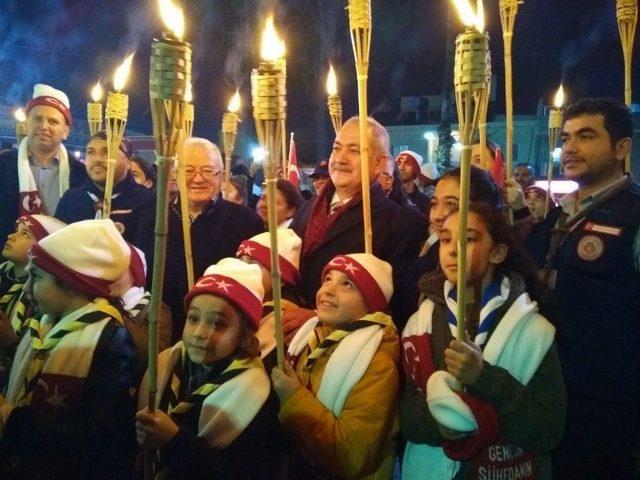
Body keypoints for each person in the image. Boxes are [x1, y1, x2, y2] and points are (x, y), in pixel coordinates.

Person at [400, 203, 566, 479]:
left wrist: (483, 377)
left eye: (468, 239)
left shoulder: (534, 331)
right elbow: (407, 414)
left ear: (497, 252)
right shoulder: (420, 325)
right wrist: (439, 424)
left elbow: (548, 431)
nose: (452, 249)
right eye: (445, 239)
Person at [525, 98, 640, 479]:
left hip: (606, 399)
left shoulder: (633, 217)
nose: (569, 147)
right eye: (567, 137)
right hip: (549, 386)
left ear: (622, 148)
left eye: (587, 136)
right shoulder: (557, 216)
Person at [0, 219, 138, 479]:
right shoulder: (43, 324)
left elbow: (96, 439)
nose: (27, 288)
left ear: (70, 283)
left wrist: (11, 419)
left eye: (36, 277)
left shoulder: (111, 341)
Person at [135, 258, 285, 479]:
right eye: (194, 318)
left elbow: (240, 471)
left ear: (244, 333)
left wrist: (174, 442)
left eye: (218, 324)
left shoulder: (256, 393)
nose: (199, 333)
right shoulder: (167, 362)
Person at [288, 116, 427, 336]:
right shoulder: (307, 208)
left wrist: (317, 316)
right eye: (337, 148)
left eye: (354, 151)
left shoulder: (398, 222)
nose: (340, 159)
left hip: (344, 342)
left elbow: (396, 305)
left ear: (378, 164)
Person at [271, 253, 399, 478]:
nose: (328, 290)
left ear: (370, 305)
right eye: (327, 279)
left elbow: (351, 457)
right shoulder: (311, 339)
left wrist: (293, 396)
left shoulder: (377, 365)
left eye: (347, 284)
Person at [137, 138, 264, 342]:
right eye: (188, 171)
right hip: (159, 334)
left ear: (222, 177)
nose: (197, 179)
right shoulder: (150, 218)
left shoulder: (247, 223)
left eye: (207, 171)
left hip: (218, 336)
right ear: (176, 174)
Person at [400, 166, 505, 330]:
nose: (437, 216)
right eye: (434, 204)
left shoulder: (513, 311)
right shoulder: (421, 269)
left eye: (451, 204)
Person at [0, 84, 86, 242]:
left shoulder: (80, 174)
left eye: (53, 121)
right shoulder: (4, 165)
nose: (44, 126)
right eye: (38, 118)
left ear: (65, 131)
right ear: (26, 124)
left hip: (60, 260)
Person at [0, 215, 66, 386]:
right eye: (16, 231)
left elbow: (36, 358)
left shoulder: (40, 295)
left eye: (25, 234)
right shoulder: (3, 276)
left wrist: (9, 339)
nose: (11, 236)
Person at [55, 131, 155, 243]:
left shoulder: (147, 201)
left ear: (128, 162)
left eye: (107, 151)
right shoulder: (71, 199)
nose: (97, 159)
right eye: (90, 152)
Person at [237, 229, 303, 372]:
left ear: (280, 280)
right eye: (240, 261)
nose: (242, 268)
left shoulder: (278, 317)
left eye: (254, 264)